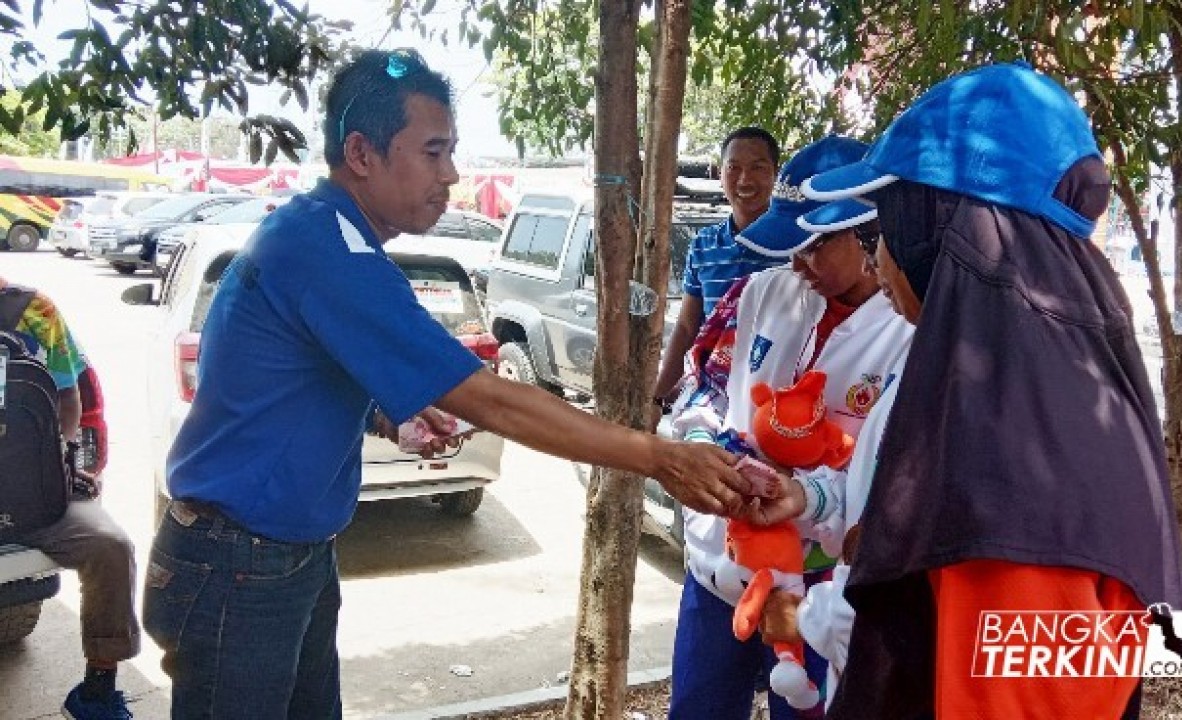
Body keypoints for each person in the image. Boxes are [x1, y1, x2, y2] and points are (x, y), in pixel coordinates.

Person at [141, 48, 750, 719]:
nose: (452, 174)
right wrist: (659, 456)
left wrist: (387, 414)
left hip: (280, 558)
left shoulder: (323, 234)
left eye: (452, 152)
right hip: (240, 569)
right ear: (362, 153)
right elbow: (488, 397)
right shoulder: (331, 254)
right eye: (433, 153)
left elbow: (300, 375)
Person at [792, 62, 1182, 719]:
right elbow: (1149, 639)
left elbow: (1043, 681)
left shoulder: (1005, 468)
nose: (879, 260)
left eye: (884, 229)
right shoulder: (1073, 389)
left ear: (935, 232)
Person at [666, 136, 914, 719]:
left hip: (823, 592)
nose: (798, 263)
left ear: (871, 232)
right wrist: (702, 445)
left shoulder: (910, 331)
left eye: (816, 245)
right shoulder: (756, 294)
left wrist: (804, 496)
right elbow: (704, 387)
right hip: (720, 566)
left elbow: (890, 476)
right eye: (791, 245)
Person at [0, 277, 139, 720]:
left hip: (32, 494)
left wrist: (60, 461)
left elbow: (67, 396)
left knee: (111, 547)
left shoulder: (32, 310)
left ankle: (98, 691)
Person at [651, 127, 785, 407]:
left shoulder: (797, 246)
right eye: (733, 168)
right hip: (711, 400)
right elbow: (687, 328)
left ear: (776, 173)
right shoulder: (703, 245)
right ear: (719, 173)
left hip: (776, 401)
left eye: (758, 167)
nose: (745, 179)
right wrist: (657, 398)